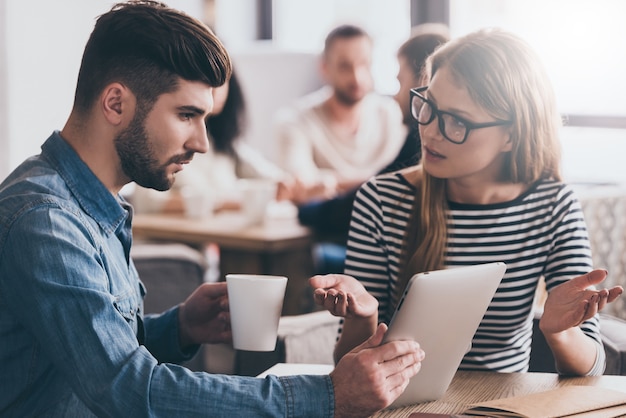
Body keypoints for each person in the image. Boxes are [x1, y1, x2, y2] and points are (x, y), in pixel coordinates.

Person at [0, 2, 424, 417]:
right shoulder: (45, 222)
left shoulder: (94, 204)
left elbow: (96, 357)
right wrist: (327, 396)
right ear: (115, 103)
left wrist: (180, 326)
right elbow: (129, 391)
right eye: (187, 115)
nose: (202, 142)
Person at [310, 28, 623, 375]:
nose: (429, 130)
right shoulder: (382, 200)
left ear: (511, 135)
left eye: (456, 122)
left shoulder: (553, 206)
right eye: (428, 105)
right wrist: (363, 316)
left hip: (501, 409)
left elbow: (592, 367)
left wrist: (560, 333)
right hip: (400, 406)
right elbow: (347, 368)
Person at [298, 26, 450, 274]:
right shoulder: (299, 118)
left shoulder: (422, 139)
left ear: (424, 82)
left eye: (400, 81)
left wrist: (307, 208)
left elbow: (371, 194)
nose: (397, 95)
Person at [132, 67, 294, 216]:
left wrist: (284, 185)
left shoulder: (223, 142)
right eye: (208, 80)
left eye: (223, 81)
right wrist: (221, 203)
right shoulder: (164, 135)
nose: (217, 90)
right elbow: (146, 201)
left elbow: (273, 178)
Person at [274, 24, 407, 205]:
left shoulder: (391, 114)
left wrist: (331, 182)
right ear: (324, 68)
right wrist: (376, 181)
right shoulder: (295, 120)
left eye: (364, 64)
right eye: (345, 66)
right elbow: (300, 183)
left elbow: (406, 176)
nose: (357, 77)